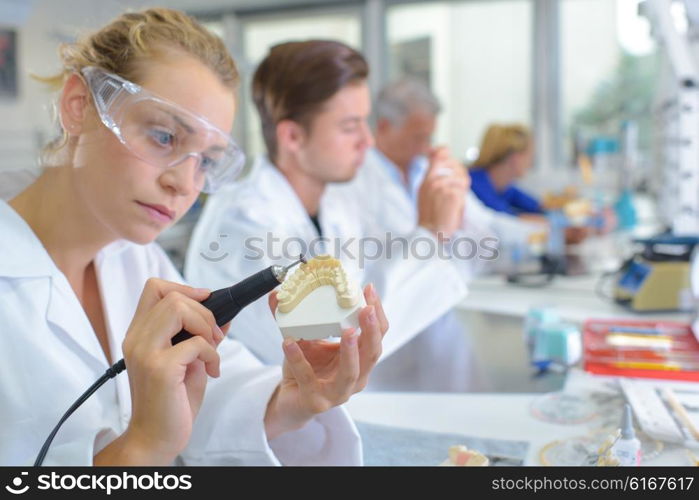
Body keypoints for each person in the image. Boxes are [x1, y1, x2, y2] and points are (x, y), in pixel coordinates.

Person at [0, 9, 387, 466]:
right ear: (79, 107)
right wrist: (142, 446)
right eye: (164, 136)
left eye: (207, 161)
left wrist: (292, 399)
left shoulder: (137, 260)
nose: (185, 183)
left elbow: (205, 395)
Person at [185, 41, 468, 375]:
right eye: (350, 126)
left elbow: (370, 287)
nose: (368, 140)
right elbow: (330, 353)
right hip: (270, 417)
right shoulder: (243, 224)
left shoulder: (336, 205)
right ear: (292, 137)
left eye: (365, 122)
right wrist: (432, 233)